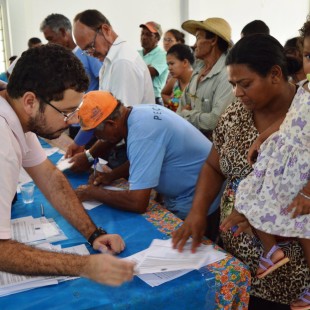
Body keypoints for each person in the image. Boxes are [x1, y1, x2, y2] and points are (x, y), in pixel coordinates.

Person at [172, 34, 309, 308]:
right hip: (239, 266)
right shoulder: (235, 113)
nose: (237, 93)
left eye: (245, 84)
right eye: (233, 84)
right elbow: (214, 165)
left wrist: (263, 213)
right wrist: (198, 213)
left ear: (274, 74)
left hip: (296, 281)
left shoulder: (303, 113)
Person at [0, 44, 134, 286]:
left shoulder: (18, 115)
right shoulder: (3, 143)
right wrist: (84, 265)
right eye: (66, 112)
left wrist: (94, 234)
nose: (71, 121)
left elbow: (50, 178)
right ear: (30, 101)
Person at [233, 22, 310, 309]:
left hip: (301, 168)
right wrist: (261, 138)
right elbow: (287, 121)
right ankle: (272, 250)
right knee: (249, 195)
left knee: (304, 229)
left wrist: (307, 192)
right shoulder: (305, 88)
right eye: (308, 55)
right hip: (281, 159)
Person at [74, 91, 221, 221]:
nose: (98, 137)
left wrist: (92, 192)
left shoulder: (142, 134)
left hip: (201, 201)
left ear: (112, 124)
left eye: (96, 133)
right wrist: (111, 176)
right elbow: (144, 159)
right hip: (192, 195)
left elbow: (137, 203)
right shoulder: (136, 113)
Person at [65, 9, 155, 177]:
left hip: (131, 149)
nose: (91, 54)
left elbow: (118, 126)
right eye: (86, 51)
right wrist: (79, 142)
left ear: (105, 30)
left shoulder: (122, 63)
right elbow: (101, 110)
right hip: (121, 146)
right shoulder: (109, 60)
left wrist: (89, 155)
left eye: (91, 47)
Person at [40, 13, 103, 142]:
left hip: (90, 123)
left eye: (51, 38)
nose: (49, 43)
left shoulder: (88, 53)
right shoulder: (60, 59)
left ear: (63, 32)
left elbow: (103, 83)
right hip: (72, 122)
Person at [176, 17, 234, 140]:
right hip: (191, 142)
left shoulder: (227, 75)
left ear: (213, 40)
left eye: (198, 38)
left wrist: (186, 114)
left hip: (213, 150)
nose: (194, 45)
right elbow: (182, 105)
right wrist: (190, 115)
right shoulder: (197, 70)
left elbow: (214, 121)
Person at [139, 21, 169, 105]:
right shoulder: (136, 54)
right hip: (138, 97)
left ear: (157, 38)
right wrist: (145, 67)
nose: (144, 37)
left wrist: (136, 67)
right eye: (142, 34)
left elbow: (150, 72)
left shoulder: (163, 55)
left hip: (154, 99)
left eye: (148, 34)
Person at [161, 44, 194, 111]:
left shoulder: (197, 82)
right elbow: (163, 94)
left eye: (172, 64)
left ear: (185, 62)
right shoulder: (174, 80)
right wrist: (173, 103)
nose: (169, 68)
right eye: (168, 64)